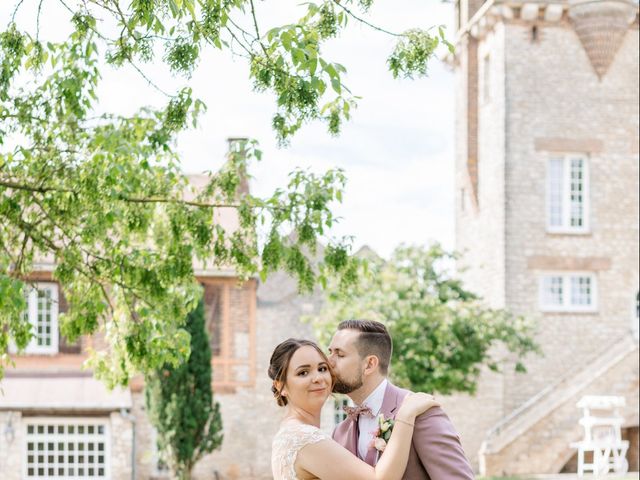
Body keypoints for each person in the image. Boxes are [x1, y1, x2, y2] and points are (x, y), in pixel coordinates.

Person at [269, 338, 440, 480]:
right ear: (281, 386)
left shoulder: (289, 433)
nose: (318, 378)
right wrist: (405, 415)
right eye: (303, 373)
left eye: (322, 369)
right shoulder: (302, 438)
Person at [329, 319, 475, 479]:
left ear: (369, 364)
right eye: (330, 352)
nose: (329, 362)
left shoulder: (420, 412)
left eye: (340, 354)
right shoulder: (340, 433)